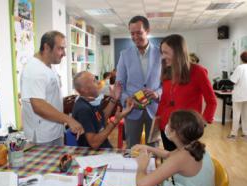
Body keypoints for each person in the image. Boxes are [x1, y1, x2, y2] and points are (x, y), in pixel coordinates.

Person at [133, 110, 215, 186]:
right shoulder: (193, 145)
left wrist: (142, 166)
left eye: (168, 124)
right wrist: (148, 148)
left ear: (174, 133)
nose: (166, 127)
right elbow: (168, 154)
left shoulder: (181, 157)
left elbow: (141, 185)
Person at [20, 31, 84, 145]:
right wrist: (68, 120)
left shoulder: (49, 65)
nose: (64, 54)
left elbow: (50, 97)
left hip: (55, 131)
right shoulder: (34, 70)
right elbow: (39, 106)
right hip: (43, 136)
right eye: (60, 49)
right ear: (46, 47)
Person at [156, 34, 217, 151]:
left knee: (186, 164)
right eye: (162, 53)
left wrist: (202, 123)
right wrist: (158, 120)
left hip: (187, 131)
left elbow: (212, 101)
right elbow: (164, 100)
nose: (163, 57)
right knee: (171, 162)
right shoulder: (167, 72)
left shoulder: (198, 71)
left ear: (178, 52)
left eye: (166, 53)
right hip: (167, 128)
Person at [116, 15, 162, 148]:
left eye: (139, 33)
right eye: (132, 33)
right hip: (131, 111)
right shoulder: (124, 55)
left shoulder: (160, 53)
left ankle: (154, 170)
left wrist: (158, 93)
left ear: (147, 31)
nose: (135, 37)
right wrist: (127, 100)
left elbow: (166, 84)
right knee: (132, 147)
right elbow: (120, 84)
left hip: (154, 110)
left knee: (153, 147)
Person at [72, 71, 133, 149]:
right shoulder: (83, 109)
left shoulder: (91, 101)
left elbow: (101, 119)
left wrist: (113, 100)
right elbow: (94, 143)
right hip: (92, 154)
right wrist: (115, 121)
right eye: (94, 80)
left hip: (104, 147)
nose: (98, 82)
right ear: (85, 90)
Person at [228, 51, 247, 139]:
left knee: (236, 115)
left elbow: (233, 80)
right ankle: (245, 134)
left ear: (241, 59)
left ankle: (233, 134)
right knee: (245, 115)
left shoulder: (240, 67)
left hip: (239, 96)